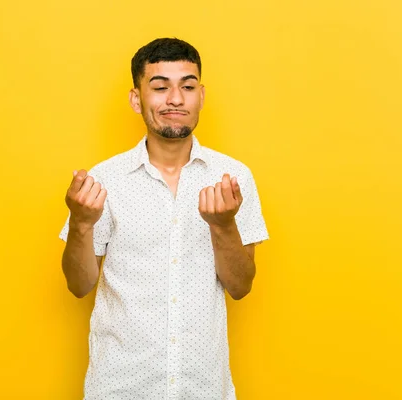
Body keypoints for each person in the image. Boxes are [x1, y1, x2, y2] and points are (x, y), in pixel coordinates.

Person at [59, 37, 269, 400]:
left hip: (201, 388)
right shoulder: (104, 180)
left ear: (201, 95)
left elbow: (240, 286)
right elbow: (79, 285)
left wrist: (223, 225)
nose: (175, 99)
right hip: (119, 387)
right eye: (160, 87)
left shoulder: (233, 177)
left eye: (187, 86)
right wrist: (80, 223)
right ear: (136, 98)